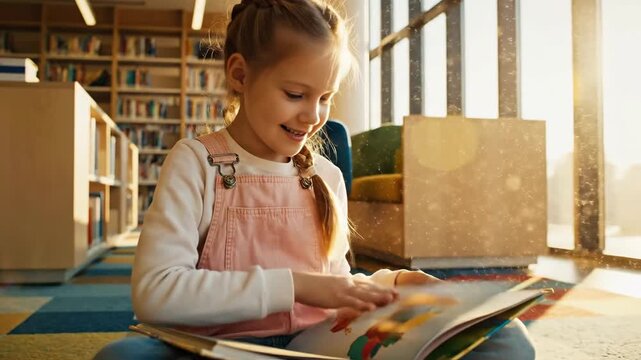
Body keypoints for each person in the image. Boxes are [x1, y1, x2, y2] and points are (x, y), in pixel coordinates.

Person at [95, 0, 535, 359]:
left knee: (507, 339)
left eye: (325, 97)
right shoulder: (196, 162)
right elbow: (156, 293)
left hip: (314, 346)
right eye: (295, 95)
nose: (313, 115)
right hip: (213, 347)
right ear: (240, 75)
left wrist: (392, 283)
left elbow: (336, 279)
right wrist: (296, 285)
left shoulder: (324, 174)